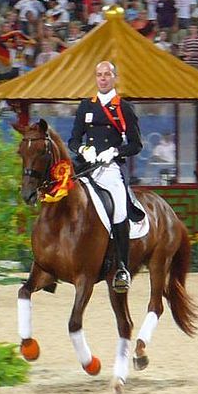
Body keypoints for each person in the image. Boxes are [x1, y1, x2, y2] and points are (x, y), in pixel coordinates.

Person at [68, 61, 143, 293]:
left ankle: (122, 267)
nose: (102, 78)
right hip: (86, 167)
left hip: (110, 169)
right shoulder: (85, 106)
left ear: (114, 77)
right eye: (99, 75)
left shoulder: (123, 108)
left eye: (107, 74)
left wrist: (116, 151)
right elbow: (73, 139)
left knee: (119, 209)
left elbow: (136, 144)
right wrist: (81, 150)